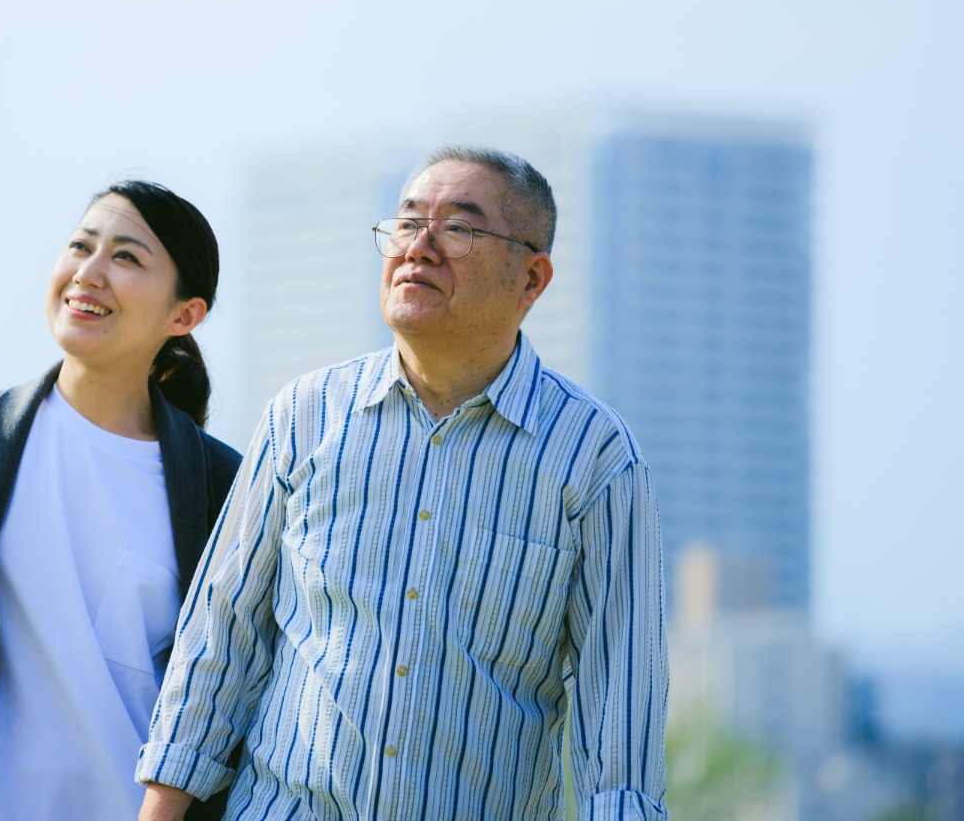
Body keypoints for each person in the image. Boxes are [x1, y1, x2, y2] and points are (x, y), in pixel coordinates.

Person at [137, 146, 669, 820]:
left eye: (458, 228)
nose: (419, 247)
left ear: (531, 279)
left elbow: (619, 714)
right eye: (408, 222)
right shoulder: (304, 415)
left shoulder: (593, 457)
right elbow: (221, 636)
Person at [0, 180, 242, 821]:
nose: (88, 273)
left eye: (127, 258)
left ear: (184, 316)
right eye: (81, 246)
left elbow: (231, 696)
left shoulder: (224, 488)